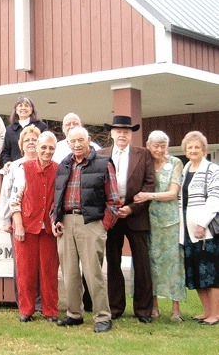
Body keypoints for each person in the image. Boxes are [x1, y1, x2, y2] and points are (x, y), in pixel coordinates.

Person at [51, 126, 117, 333]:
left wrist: (102, 226)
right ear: (68, 143)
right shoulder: (63, 165)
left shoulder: (103, 163)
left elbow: (114, 201)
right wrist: (55, 219)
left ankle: (103, 317)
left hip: (91, 224)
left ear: (88, 139)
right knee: (69, 274)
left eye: (81, 140)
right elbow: (56, 199)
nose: (77, 144)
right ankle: (74, 314)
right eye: (73, 141)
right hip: (66, 224)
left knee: (92, 273)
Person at [99, 115, 155, 323]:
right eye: (118, 131)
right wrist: (110, 210)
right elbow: (96, 185)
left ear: (131, 134)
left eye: (126, 131)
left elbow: (149, 185)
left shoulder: (143, 155)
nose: (122, 134)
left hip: (136, 215)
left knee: (141, 264)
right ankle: (115, 307)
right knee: (113, 262)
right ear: (112, 133)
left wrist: (131, 208)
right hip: (111, 217)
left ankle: (143, 310)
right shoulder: (101, 155)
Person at [132, 130, 185, 321]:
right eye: (156, 145)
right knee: (150, 263)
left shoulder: (175, 163)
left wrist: (148, 196)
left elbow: (172, 193)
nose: (160, 149)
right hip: (147, 220)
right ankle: (153, 307)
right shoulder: (144, 162)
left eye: (163, 145)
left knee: (172, 263)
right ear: (148, 145)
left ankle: (175, 309)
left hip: (169, 221)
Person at [8, 131, 59, 322]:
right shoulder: (24, 168)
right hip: (26, 227)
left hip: (49, 229)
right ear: (37, 147)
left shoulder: (59, 169)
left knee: (49, 271)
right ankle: (26, 310)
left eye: (51, 148)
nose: (47, 151)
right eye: (43, 147)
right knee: (25, 271)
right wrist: (18, 225)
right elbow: (14, 200)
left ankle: (51, 311)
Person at [0, 126, 41, 311]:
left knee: (41, 263)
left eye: (34, 139)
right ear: (21, 145)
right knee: (22, 264)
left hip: (41, 223)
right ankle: (23, 303)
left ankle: (40, 303)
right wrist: (6, 220)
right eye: (27, 140)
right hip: (19, 222)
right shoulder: (15, 166)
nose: (31, 142)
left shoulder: (47, 164)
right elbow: (6, 194)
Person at [178, 131, 218, 325]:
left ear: (204, 149)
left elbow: (215, 199)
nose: (193, 150)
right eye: (190, 147)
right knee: (196, 271)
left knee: (211, 273)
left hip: (206, 230)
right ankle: (206, 311)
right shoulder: (186, 168)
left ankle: (216, 314)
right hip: (188, 230)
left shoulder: (212, 169)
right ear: (185, 150)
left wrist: (202, 223)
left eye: (197, 147)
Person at [0, 96, 47, 167]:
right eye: (20, 106)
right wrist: (7, 162)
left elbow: (45, 147)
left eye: (26, 106)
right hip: (16, 167)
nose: (23, 108)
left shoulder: (41, 126)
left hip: (38, 166)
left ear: (31, 110)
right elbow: (5, 151)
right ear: (16, 110)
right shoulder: (9, 130)